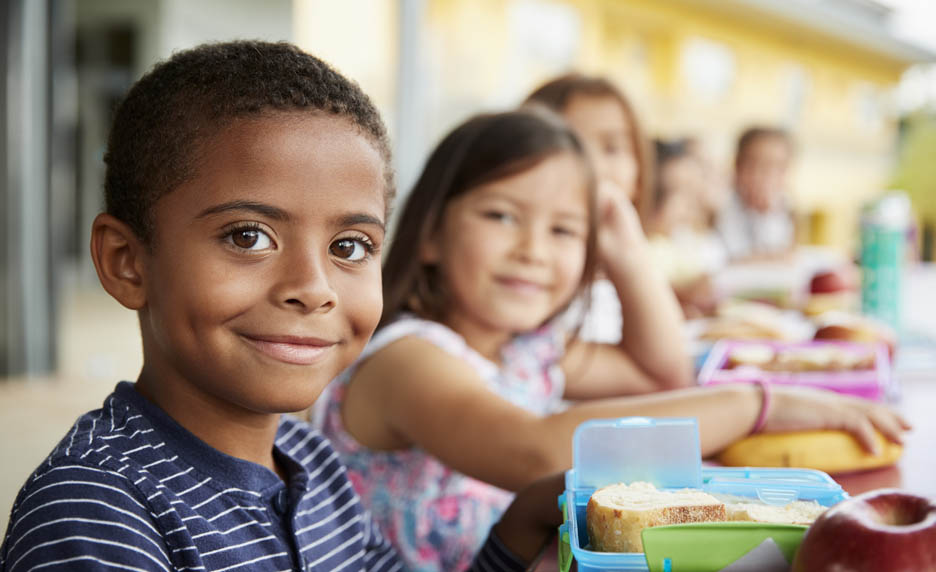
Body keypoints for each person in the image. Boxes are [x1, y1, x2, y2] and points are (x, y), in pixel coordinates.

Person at [0, 41, 563, 572]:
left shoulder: (310, 460)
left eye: (349, 247)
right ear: (127, 262)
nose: (314, 287)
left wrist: (520, 526)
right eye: (249, 236)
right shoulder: (93, 511)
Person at [317, 108, 910, 572]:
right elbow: (538, 454)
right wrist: (761, 403)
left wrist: (625, 248)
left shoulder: (526, 349)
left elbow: (661, 373)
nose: (534, 249)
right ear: (430, 235)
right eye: (501, 216)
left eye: (564, 230)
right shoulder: (406, 358)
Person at [524, 73, 692, 387]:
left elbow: (669, 372)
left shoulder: (614, 276)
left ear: (639, 175)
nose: (593, 166)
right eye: (568, 143)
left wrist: (630, 254)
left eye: (612, 148)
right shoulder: (525, 275)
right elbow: (667, 380)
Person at [645, 138, 727, 317]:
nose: (690, 204)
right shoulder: (641, 249)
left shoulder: (679, 242)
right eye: (677, 191)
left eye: (691, 191)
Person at [717, 126, 796, 261]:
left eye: (777, 167)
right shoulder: (720, 204)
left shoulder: (785, 207)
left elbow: (787, 254)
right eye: (756, 164)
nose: (766, 175)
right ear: (737, 165)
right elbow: (731, 258)